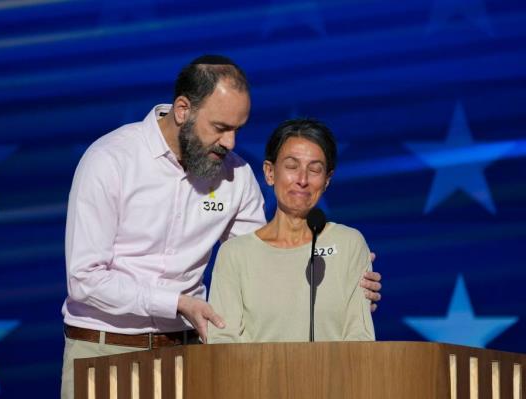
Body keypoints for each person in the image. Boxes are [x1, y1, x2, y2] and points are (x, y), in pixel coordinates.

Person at [60, 55, 381, 398]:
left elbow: (263, 264)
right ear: (182, 110)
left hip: (190, 356)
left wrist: (343, 280)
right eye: (221, 128)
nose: (230, 143)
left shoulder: (236, 176)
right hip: (105, 352)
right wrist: (177, 303)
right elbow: (84, 280)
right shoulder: (111, 160)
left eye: (237, 130)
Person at [208, 119, 375, 343]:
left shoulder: (349, 244)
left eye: (315, 169)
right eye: (291, 166)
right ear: (269, 172)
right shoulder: (235, 254)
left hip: (334, 378)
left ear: (327, 181)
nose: (302, 180)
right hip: (255, 378)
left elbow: (360, 338)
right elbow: (223, 343)